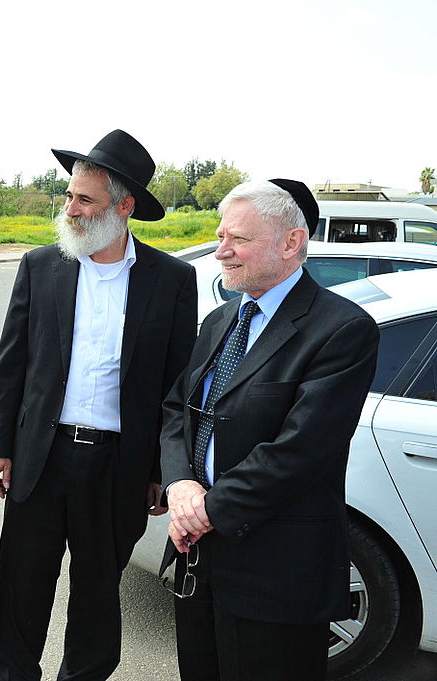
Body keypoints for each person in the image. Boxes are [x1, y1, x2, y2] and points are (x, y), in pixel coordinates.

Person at [0, 129, 198, 681]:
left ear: (123, 208)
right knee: (21, 586)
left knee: (98, 595)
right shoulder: (41, 266)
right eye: (69, 196)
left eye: (85, 200)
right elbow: (12, 366)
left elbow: (176, 388)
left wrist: (160, 471)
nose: (71, 209)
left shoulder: (172, 280)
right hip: (42, 458)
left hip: (116, 468)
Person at [159, 180, 380, 681]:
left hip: (277, 574)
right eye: (220, 236)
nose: (221, 250)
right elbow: (178, 411)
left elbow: (299, 451)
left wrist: (205, 511)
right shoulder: (221, 320)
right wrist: (180, 485)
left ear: (291, 242)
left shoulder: (341, 330)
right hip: (200, 561)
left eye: (238, 238)